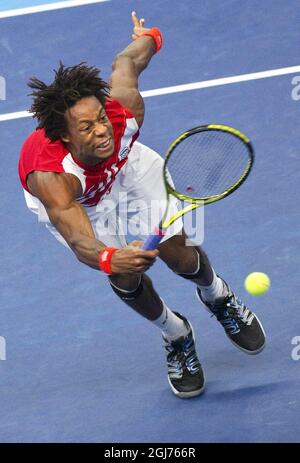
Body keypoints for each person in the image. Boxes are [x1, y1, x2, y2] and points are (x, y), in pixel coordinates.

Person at [18, 11, 266, 399]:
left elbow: (128, 60)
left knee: (181, 257)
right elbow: (79, 238)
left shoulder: (123, 113)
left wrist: (148, 33)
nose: (101, 129)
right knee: (123, 276)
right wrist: (108, 258)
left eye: (100, 118)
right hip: (84, 200)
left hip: (127, 170)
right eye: (86, 128)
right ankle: (176, 333)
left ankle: (217, 295)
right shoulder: (50, 177)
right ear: (64, 137)